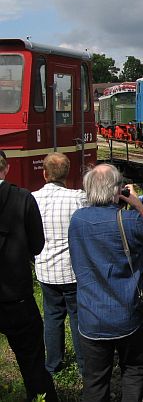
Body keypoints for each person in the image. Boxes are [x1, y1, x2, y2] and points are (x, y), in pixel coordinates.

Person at [68, 164, 143, 401]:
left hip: (91, 316)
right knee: (133, 370)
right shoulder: (130, 221)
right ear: (118, 190)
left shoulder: (78, 220)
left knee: (95, 380)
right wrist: (138, 205)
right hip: (127, 314)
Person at [0, 150, 58, 401]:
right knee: (32, 359)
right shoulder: (22, 198)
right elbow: (37, 245)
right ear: (7, 168)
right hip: (17, 296)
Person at [32, 152, 87, 374]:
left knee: (52, 316)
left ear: (44, 173)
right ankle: (84, 364)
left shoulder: (33, 198)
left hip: (45, 269)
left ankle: (53, 363)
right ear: (67, 173)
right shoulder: (77, 198)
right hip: (72, 271)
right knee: (76, 316)